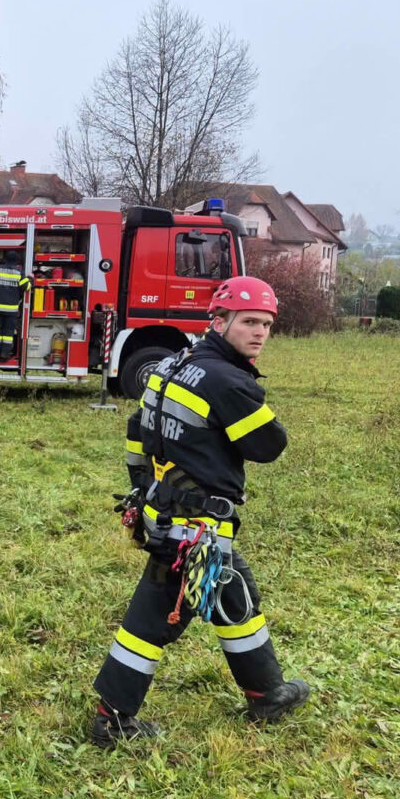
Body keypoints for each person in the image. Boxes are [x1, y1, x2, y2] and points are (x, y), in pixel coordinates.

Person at [94, 275, 309, 748]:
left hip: (170, 514)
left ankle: (266, 692)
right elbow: (270, 446)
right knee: (152, 620)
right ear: (219, 319)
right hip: (195, 531)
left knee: (237, 596)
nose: (259, 333)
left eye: (267, 324)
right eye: (249, 321)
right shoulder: (228, 381)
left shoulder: (173, 363)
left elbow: (136, 432)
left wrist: (145, 488)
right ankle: (112, 717)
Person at [0, 253, 31, 360]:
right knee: (8, 334)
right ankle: (4, 355)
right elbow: (27, 286)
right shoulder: (19, 273)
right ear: (17, 261)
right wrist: (31, 278)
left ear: (5, 259)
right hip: (11, 310)